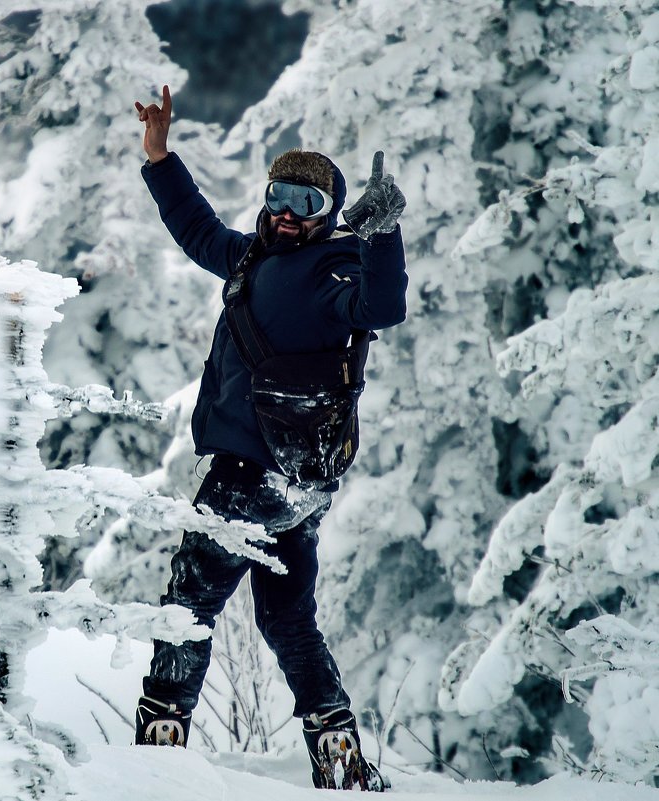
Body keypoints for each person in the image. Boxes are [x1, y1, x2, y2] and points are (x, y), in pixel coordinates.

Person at [130, 85, 407, 792]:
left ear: (328, 213)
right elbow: (197, 232)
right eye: (279, 195)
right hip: (299, 485)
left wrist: (380, 235)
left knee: (187, 606)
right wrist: (159, 158)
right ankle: (337, 753)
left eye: (307, 203)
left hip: (249, 479)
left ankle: (157, 760)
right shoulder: (254, 257)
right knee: (287, 619)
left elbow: (380, 306)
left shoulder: (335, 267)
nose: (287, 213)